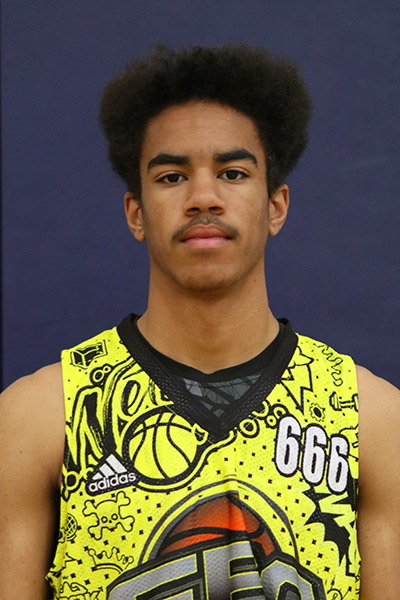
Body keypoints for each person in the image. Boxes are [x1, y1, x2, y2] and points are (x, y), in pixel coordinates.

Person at [0, 44, 399, 600]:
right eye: (171, 177)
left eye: (233, 173)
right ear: (136, 213)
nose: (203, 197)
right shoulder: (39, 418)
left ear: (276, 206)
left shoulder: (372, 419)